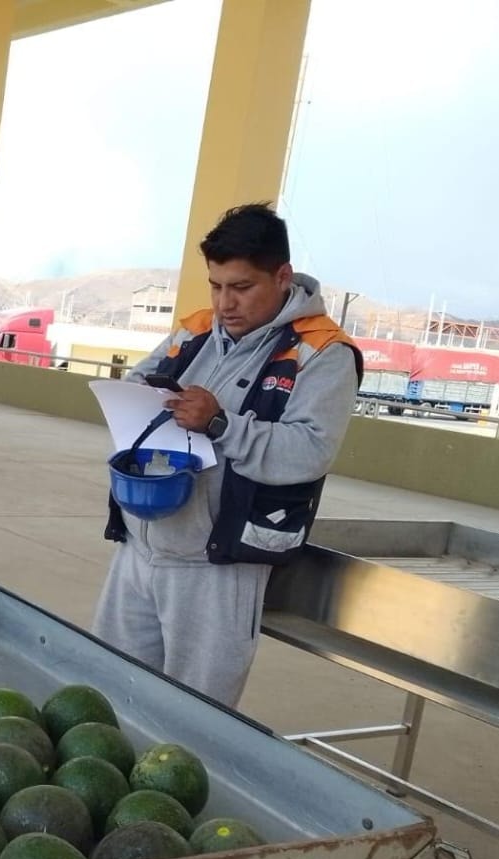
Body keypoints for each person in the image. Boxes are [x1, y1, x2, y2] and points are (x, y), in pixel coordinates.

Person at [92, 203, 362, 709]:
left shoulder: (322, 353)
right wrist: (141, 397)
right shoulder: (194, 331)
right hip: (140, 546)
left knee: (192, 723)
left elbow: (309, 452)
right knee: (107, 701)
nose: (224, 303)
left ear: (282, 276)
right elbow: (137, 383)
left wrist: (221, 424)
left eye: (241, 287)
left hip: (216, 566)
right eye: (216, 286)